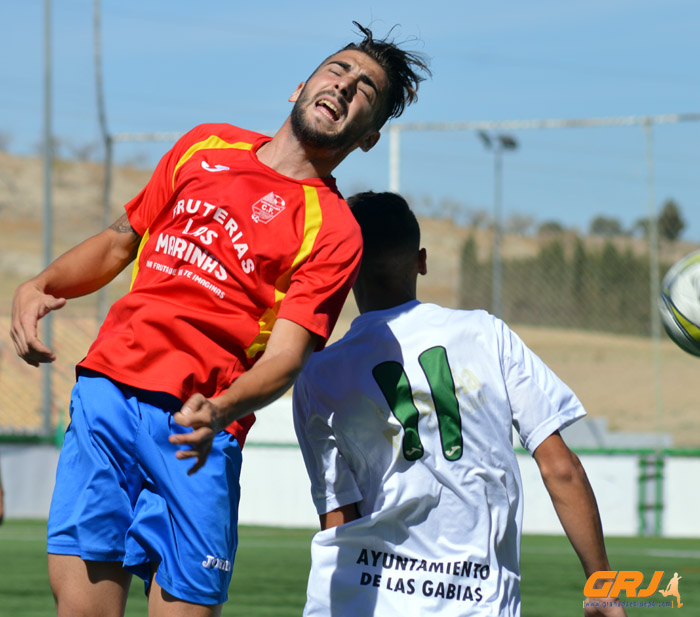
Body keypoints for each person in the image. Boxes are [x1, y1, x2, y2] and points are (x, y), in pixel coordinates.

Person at [10, 25, 429, 617]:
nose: (345, 86)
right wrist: (40, 285)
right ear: (300, 86)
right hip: (106, 397)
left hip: (197, 432)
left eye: (365, 90)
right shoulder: (206, 145)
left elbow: (287, 356)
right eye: (338, 70)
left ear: (369, 137)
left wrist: (222, 409)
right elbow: (118, 241)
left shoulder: (335, 230)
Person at [292, 192, 627, 617]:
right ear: (422, 261)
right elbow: (561, 468)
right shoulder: (487, 334)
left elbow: (340, 516)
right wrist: (603, 588)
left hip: (368, 601)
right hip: (477, 603)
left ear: (346, 269)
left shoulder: (318, 375)